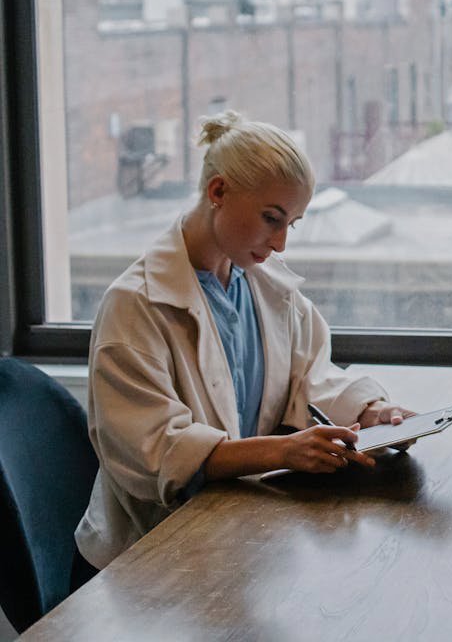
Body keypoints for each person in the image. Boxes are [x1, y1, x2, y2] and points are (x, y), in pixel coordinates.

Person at [75, 111, 416, 572]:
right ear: (218, 191)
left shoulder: (261, 281)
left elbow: (307, 376)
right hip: (146, 558)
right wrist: (281, 452)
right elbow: (155, 451)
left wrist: (370, 413)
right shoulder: (135, 305)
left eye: (291, 224)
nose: (279, 245)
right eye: (271, 219)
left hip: (235, 539)